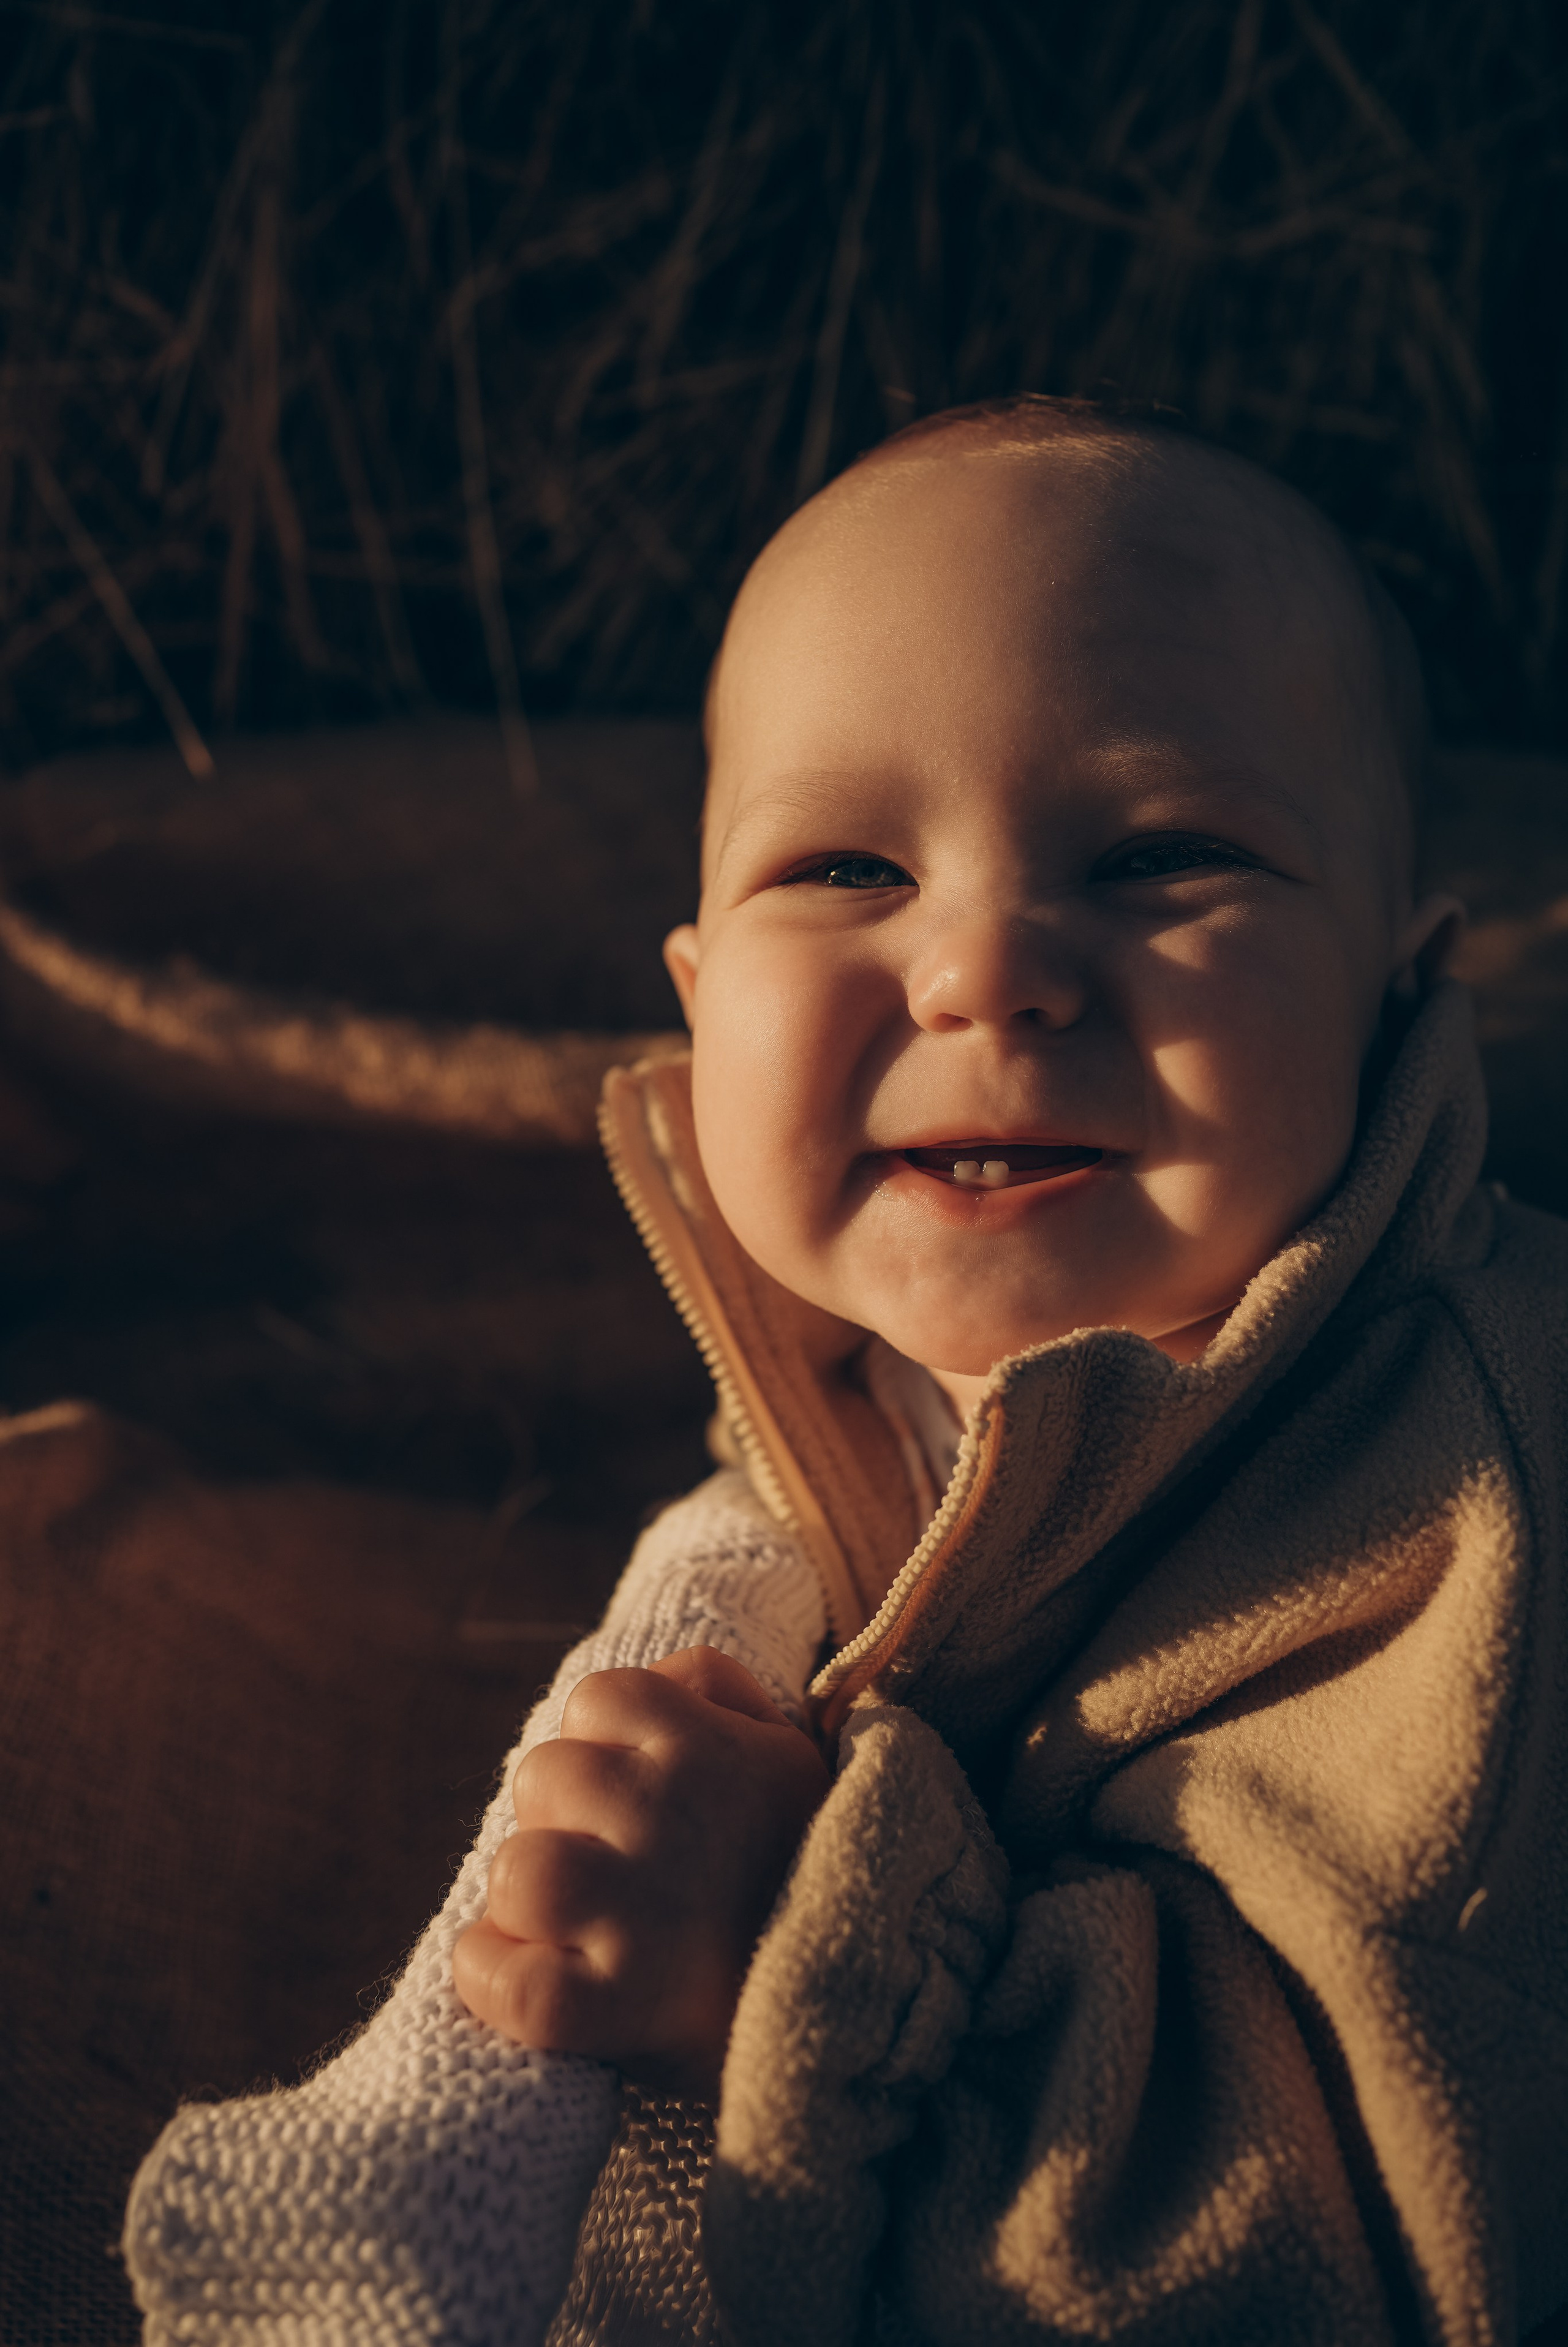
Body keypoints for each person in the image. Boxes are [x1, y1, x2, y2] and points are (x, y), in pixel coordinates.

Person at [124, 400, 1568, 2346]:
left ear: (1399, 994)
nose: (984, 970)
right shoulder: (851, 1386)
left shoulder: (1454, 1515)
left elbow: (1350, 2250)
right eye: (844, 868)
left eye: (1160, 858)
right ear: (700, 1000)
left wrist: (794, 1952)